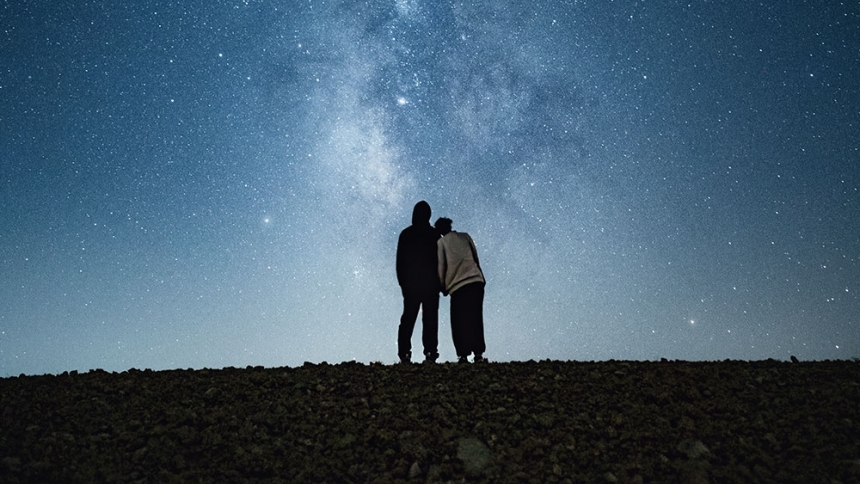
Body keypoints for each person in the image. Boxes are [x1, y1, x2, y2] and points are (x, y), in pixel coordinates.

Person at [435, 217, 486, 364]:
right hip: (475, 280)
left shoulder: (441, 243)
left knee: (459, 321)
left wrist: (443, 286)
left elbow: (441, 266)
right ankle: (478, 354)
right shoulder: (465, 236)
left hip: (458, 285)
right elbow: (476, 258)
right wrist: (481, 275)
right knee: (476, 318)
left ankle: (463, 354)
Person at [396, 201, 442, 364]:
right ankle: (430, 353)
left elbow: (400, 262)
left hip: (412, 284)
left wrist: (403, 284)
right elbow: (441, 261)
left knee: (409, 318)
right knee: (430, 319)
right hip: (429, 284)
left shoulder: (406, 234)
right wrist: (441, 284)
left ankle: (405, 354)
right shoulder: (435, 235)